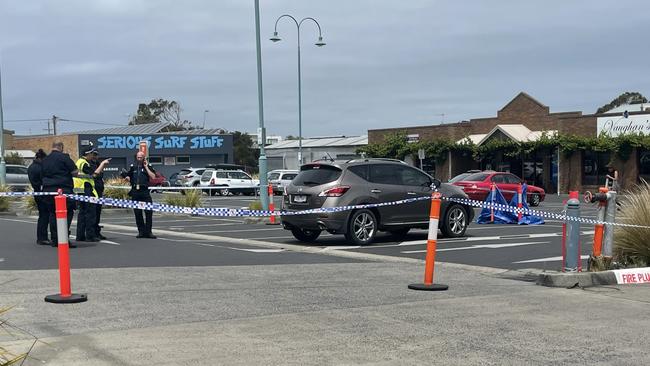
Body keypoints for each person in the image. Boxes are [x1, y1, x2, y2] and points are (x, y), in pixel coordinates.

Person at [41, 141, 78, 247]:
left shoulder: (45, 160)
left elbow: (41, 174)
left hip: (48, 190)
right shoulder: (64, 158)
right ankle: (63, 238)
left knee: (53, 214)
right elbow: (74, 171)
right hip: (63, 190)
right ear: (61, 147)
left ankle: (55, 239)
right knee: (67, 213)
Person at [73, 146, 110, 242]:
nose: (93, 156)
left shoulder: (79, 162)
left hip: (80, 189)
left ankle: (80, 235)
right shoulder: (83, 163)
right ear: (87, 154)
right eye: (92, 154)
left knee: (82, 213)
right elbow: (94, 174)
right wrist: (102, 164)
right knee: (90, 213)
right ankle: (90, 235)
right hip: (86, 188)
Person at [121, 151, 157, 239]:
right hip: (135, 192)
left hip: (144, 192)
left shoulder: (148, 166)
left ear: (144, 158)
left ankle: (148, 232)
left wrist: (146, 167)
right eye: (138, 157)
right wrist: (126, 177)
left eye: (141, 157)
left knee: (148, 212)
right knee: (137, 212)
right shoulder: (133, 167)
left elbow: (153, 177)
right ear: (136, 158)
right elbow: (128, 177)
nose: (139, 159)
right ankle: (141, 231)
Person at [27, 149, 52, 245]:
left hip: (37, 193)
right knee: (44, 216)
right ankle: (42, 238)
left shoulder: (31, 167)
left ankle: (41, 237)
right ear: (41, 158)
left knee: (42, 216)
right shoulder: (40, 168)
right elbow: (43, 181)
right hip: (42, 194)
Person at [92, 151, 107, 240]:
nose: (95, 156)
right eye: (94, 154)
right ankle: (92, 233)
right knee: (92, 213)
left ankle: (97, 232)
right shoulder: (90, 164)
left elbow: (100, 175)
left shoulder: (97, 163)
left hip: (99, 190)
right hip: (93, 191)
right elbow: (95, 174)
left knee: (97, 213)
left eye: (96, 155)